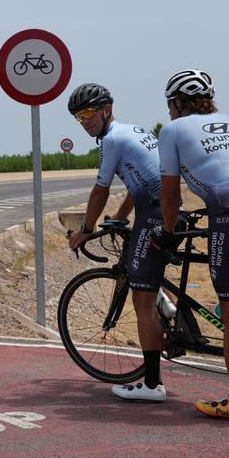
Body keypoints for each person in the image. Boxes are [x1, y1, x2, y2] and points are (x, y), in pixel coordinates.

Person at [153, 69, 229, 421]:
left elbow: (171, 192)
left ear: (177, 103)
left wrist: (166, 229)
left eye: (170, 105)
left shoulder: (173, 130)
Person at [66, 83, 169, 402]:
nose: (84, 121)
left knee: (141, 301)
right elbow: (140, 182)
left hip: (154, 213)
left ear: (106, 109)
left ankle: (152, 384)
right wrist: (122, 216)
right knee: (147, 280)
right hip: (162, 207)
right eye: (78, 116)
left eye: (88, 113)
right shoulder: (132, 131)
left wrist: (85, 228)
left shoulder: (111, 140)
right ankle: (167, 308)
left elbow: (101, 189)